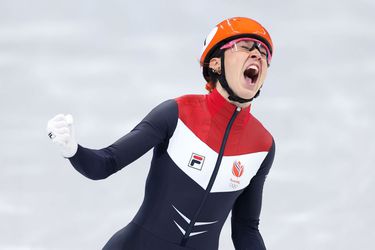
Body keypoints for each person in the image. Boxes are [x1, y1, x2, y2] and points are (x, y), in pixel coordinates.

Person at [46, 17, 276, 250]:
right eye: (246, 47)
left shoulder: (262, 145)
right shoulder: (177, 114)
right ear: (215, 64)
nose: (257, 55)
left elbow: (246, 229)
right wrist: (73, 151)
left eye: (264, 53)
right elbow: (106, 163)